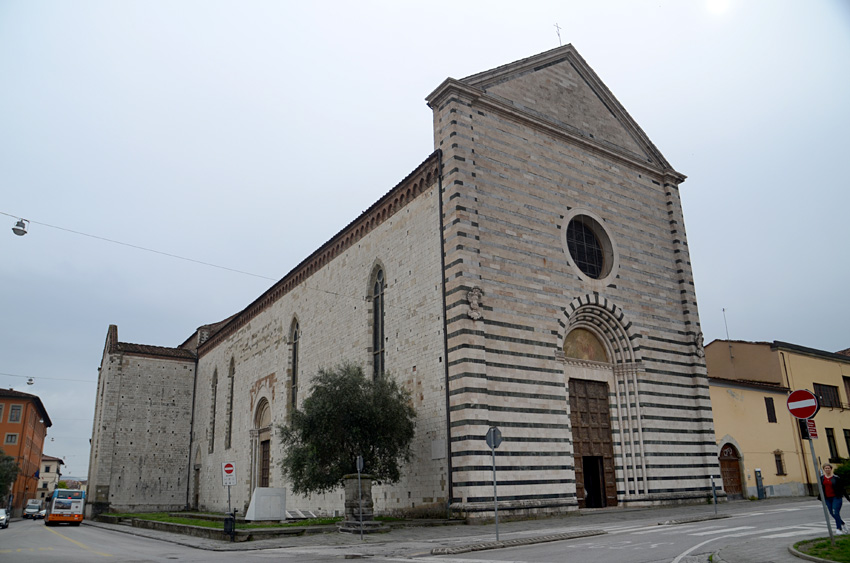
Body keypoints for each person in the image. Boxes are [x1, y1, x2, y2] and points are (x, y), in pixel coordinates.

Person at [822, 464, 850, 534]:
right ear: (824, 469)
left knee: (835, 512)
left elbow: (842, 489)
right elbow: (821, 488)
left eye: (828, 468)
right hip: (827, 498)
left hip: (836, 497)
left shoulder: (836, 478)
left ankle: (839, 528)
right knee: (832, 513)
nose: (827, 470)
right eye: (826, 468)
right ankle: (843, 523)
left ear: (831, 469)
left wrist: (848, 498)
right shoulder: (822, 478)